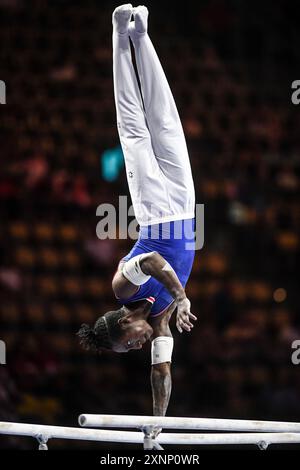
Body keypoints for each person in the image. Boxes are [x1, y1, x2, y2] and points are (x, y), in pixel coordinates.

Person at [78, 4, 197, 419]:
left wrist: (181, 295)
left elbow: (152, 259)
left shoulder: (122, 289)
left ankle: (118, 33)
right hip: (184, 204)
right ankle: (142, 36)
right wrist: (156, 429)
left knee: (134, 126)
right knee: (166, 120)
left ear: (120, 322)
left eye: (126, 343)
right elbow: (161, 372)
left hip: (153, 208)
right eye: (130, 350)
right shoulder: (161, 317)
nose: (135, 347)